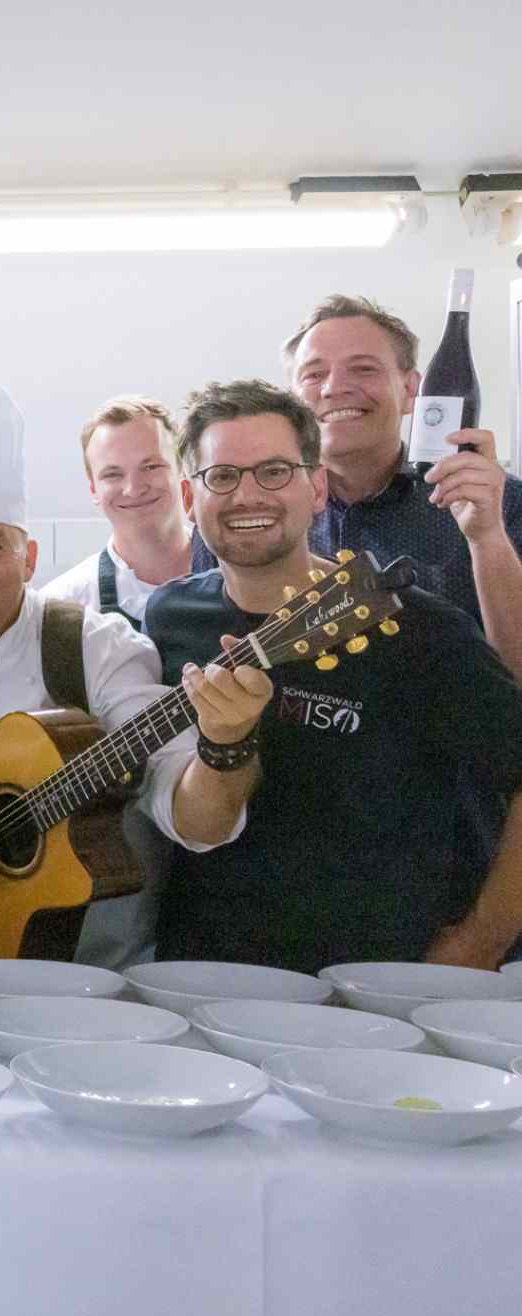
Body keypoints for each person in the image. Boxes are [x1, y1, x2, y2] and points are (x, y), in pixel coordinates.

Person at [0, 382, 252, 970]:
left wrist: (225, 749)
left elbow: (194, 818)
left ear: (28, 560)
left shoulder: (93, 650)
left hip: (96, 976)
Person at [145, 379, 522, 972]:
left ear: (316, 487)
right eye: (221, 476)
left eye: (274, 471)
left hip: (376, 980)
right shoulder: (169, 617)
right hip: (202, 970)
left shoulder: (419, 629)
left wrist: (483, 939)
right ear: (191, 499)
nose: (248, 495)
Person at [285, 294, 522, 675]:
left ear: (412, 390)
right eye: (314, 374)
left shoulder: (502, 503)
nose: (333, 388)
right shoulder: (261, 510)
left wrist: (487, 537)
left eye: (363, 369)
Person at [40, 396, 214, 628]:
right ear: (93, 489)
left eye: (151, 467)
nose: (133, 489)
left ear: (181, 470)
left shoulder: (240, 576)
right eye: (112, 474)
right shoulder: (60, 608)